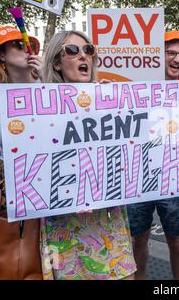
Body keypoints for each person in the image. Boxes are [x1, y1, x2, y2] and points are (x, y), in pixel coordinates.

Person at [40, 30, 137, 280]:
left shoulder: (109, 98)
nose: (83, 56)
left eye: (88, 50)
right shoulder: (40, 105)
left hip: (106, 216)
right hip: (64, 223)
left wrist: (118, 106)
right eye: (72, 51)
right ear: (57, 63)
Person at [126, 30, 179, 280]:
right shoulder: (137, 89)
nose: (177, 59)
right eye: (171, 52)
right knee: (139, 237)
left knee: (175, 238)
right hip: (139, 177)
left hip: (173, 179)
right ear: (158, 55)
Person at [0, 26, 42, 270]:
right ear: (0, 55)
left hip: (50, 184)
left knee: (50, 258)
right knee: (13, 262)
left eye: (29, 45)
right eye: (17, 45)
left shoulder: (51, 88)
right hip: (7, 191)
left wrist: (47, 80)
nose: (26, 49)